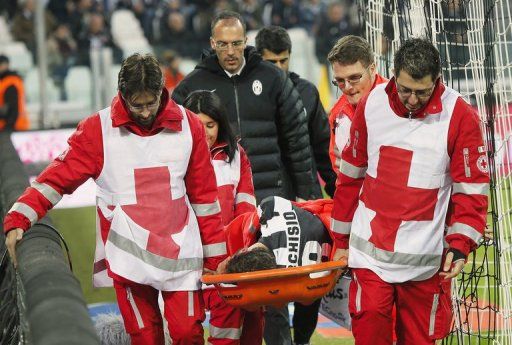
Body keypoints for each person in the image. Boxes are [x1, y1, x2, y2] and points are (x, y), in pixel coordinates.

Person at [4, 53, 227, 345]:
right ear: (122, 94)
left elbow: (205, 198)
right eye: (138, 105)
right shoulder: (98, 129)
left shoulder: (190, 126)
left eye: (152, 103)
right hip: (127, 254)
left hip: (182, 252)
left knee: (188, 334)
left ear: (163, 91)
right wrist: (21, 215)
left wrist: (215, 257)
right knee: (145, 338)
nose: (146, 112)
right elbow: (58, 177)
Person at [330, 38, 489, 344]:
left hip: (426, 263)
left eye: (422, 92)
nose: (413, 100)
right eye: (405, 90)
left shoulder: (460, 116)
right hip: (370, 256)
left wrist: (460, 245)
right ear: (393, 75)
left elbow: (471, 190)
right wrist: (340, 239)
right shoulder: (372, 103)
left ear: (437, 81)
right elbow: (350, 177)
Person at [172, 10, 315, 203]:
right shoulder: (190, 87)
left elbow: (297, 141)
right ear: (213, 43)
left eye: (236, 43)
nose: (230, 51)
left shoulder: (273, 78)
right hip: (220, 199)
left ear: (246, 41)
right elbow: (176, 148)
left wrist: (306, 195)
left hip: (273, 195)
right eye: (223, 44)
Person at [183, 90, 257, 345]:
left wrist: (235, 255)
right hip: (186, 261)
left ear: (220, 124)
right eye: (198, 124)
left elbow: (245, 210)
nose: (204, 132)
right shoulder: (175, 160)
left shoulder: (236, 158)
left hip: (227, 262)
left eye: (210, 125)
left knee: (232, 334)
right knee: (183, 332)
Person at [218, 196, 335, 345]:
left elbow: (259, 304)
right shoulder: (270, 205)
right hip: (327, 226)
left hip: (330, 240)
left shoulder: (269, 206)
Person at [255, 25, 336, 198]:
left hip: (305, 193)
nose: (278, 67)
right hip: (264, 194)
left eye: (283, 61)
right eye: (271, 62)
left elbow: (323, 148)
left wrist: (338, 192)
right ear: (258, 59)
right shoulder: (248, 94)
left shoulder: (307, 92)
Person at [327, 35, 387, 172]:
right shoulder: (337, 114)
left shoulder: (397, 103)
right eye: (340, 81)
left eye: (354, 78)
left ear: (372, 69)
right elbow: (337, 166)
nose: (347, 87)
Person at [0, 54, 29, 131]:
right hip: (15, 126)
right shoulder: (10, 80)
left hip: (12, 127)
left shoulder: (10, 82)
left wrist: (8, 127)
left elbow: (12, 107)